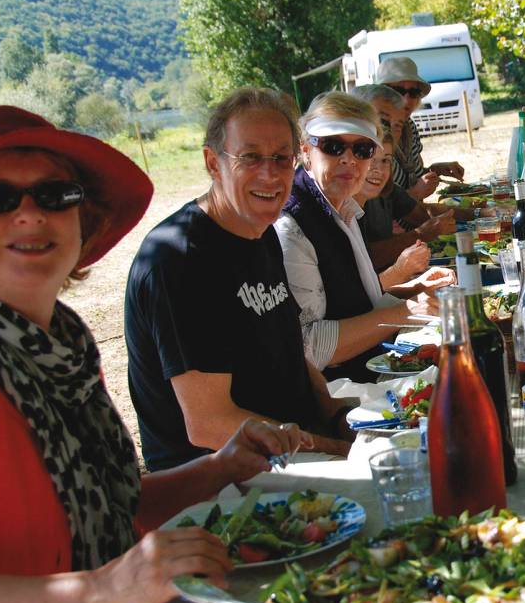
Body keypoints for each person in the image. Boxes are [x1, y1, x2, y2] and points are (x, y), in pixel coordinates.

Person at [0, 106, 312, 603]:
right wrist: (105, 589)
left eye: (55, 193)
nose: (29, 213)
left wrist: (218, 468)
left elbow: (106, 506)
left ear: (81, 217)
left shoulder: (61, 345)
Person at [125, 88, 354, 471]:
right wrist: (333, 448)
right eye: (249, 157)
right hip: (223, 481)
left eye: (282, 158)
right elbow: (208, 425)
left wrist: (337, 417)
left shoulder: (259, 228)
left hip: (293, 447)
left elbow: (292, 352)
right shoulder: (179, 261)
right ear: (213, 163)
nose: (270, 174)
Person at [275, 92, 448, 382]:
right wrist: (404, 311)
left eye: (363, 149)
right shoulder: (291, 226)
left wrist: (412, 293)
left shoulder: (343, 206)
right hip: (341, 397)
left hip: (371, 372)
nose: (349, 160)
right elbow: (311, 348)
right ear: (305, 151)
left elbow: (358, 305)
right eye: (333, 146)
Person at [354, 129, 456, 284]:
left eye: (385, 160)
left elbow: (421, 213)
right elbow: (366, 259)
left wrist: (480, 212)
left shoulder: (387, 188)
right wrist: (420, 235)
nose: (378, 170)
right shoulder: (339, 209)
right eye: (371, 159)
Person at [375, 57, 464, 200]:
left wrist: (436, 169)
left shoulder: (409, 127)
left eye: (414, 92)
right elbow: (376, 206)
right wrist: (415, 194)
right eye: (397, 90)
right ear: (381, 93)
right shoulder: (371, 134)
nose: (406, 99)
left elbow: (411, 177)